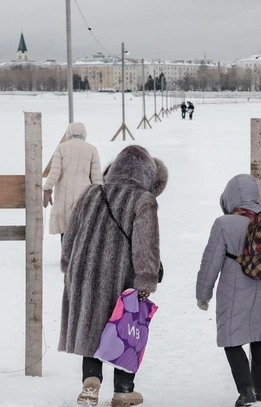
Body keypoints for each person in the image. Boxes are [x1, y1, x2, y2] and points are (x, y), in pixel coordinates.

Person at [59, 145, 168, 407]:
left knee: (92, 325)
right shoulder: (143, 200)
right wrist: (146, 279)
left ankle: (91, 381)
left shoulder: (91, 192)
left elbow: (70, 235)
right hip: (123, 278)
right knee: (126, 329)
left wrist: (68, 265)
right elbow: (145, 245)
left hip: (85, 272)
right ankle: (123, 391)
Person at [196, 174, 261, 406]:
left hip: (235, 290)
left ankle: (246, 390)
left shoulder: (224, 224)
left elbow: (210, 262)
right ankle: (260, 390)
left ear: (229, 196)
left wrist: (203, 295)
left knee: (231, 338)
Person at [43, 122, 102, 241]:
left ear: (68, 133)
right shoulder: (92, 149)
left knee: (65, 229)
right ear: (84, 133)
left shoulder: (61, 148)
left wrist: (47, 189)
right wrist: (99, 196)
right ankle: (79, 257)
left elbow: (54, 173)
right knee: (81, 229)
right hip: (84, 194)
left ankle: (66, 256)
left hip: (63, 194)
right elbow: (96, 179)